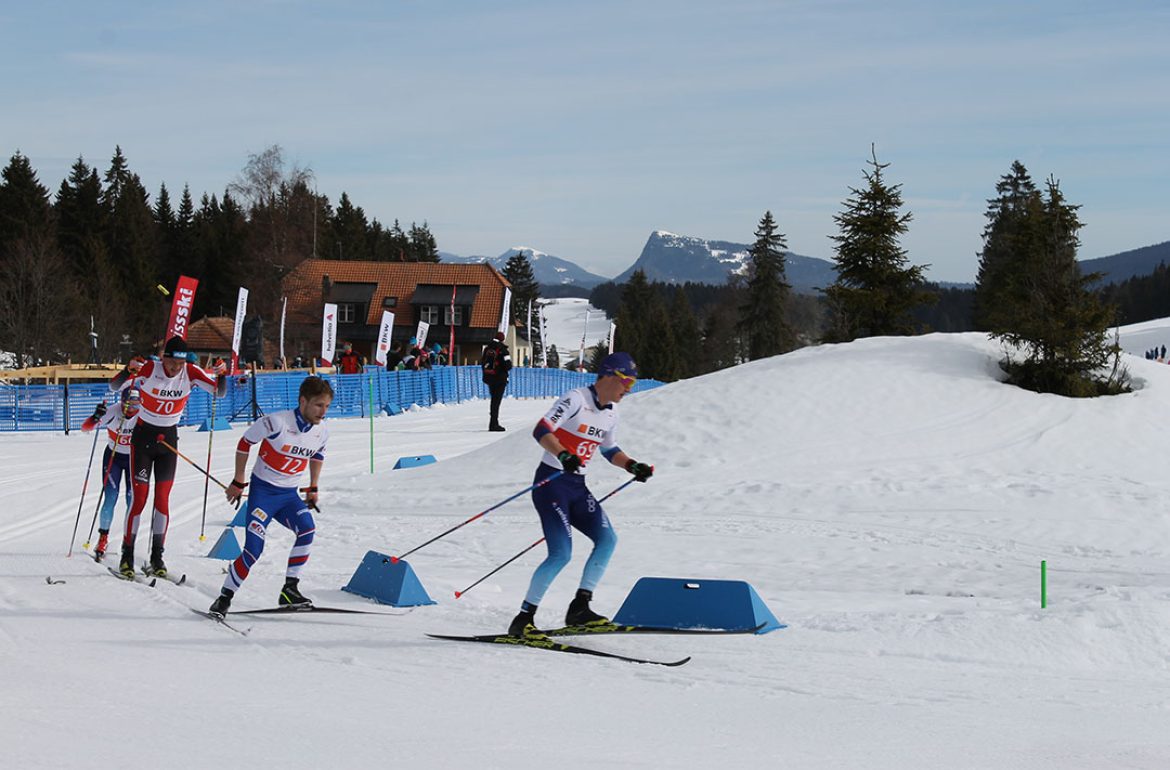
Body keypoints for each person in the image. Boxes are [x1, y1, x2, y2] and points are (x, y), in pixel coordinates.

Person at [507, 352, 654, 638]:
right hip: (552, 484)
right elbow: (541, 429)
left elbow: (609, 450)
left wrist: (632, 465)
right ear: (610, 375)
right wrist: (562, 453)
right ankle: (523, 619)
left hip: (577, 486)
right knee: (561, 554)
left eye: (633, 383)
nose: (629, 389)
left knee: (607, 539)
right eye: (627, 381)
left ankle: (580, 608)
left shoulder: (611, 412)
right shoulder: (576, 399)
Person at [208, 376, 333, 616]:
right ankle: (224, 598)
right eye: (319, 405)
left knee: (307, 529)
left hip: (289, 496)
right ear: (303, 401)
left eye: (326, 406)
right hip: (263, 495)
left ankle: (290, 589)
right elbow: (245, 443)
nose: (323, 412)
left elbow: (317, 456)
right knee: (254, 550)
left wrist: (313, 486)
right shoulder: (276, 422)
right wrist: (238, 480)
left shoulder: (322, 431)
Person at [108, 336, 226, 579]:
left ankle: (157, 556)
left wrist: (222, 374)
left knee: (162, 499)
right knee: (139, 499)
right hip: (142, 439)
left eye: (180, 365)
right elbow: (114, 386)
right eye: (172, 363)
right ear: (164, 359)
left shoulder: (191, 372)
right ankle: (127, 555)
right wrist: (127, 369)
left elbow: (219, 393)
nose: (175, 369)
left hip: (168, 440)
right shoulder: (151, 368)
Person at [80, 388, 142, 562]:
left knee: (133, 501)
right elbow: (85, 428)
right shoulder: (113, 411)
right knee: (110, 499)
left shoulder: (144, 413)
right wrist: (95, 417)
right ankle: (103, 538)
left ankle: (128, 541)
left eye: (135, 405)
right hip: (113, 457)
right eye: (127, 405)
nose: (130, 409)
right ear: (121, 402)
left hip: (135, 460)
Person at [480, 331, 512, 432]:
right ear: (502, 339)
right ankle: (494, 424)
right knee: (496, 402)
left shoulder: (487, 349)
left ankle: (493, 423)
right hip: (500, 379)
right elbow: (508, 366)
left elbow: (483, 362)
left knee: (493, 400)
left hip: (489, 378)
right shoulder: (503, 350)